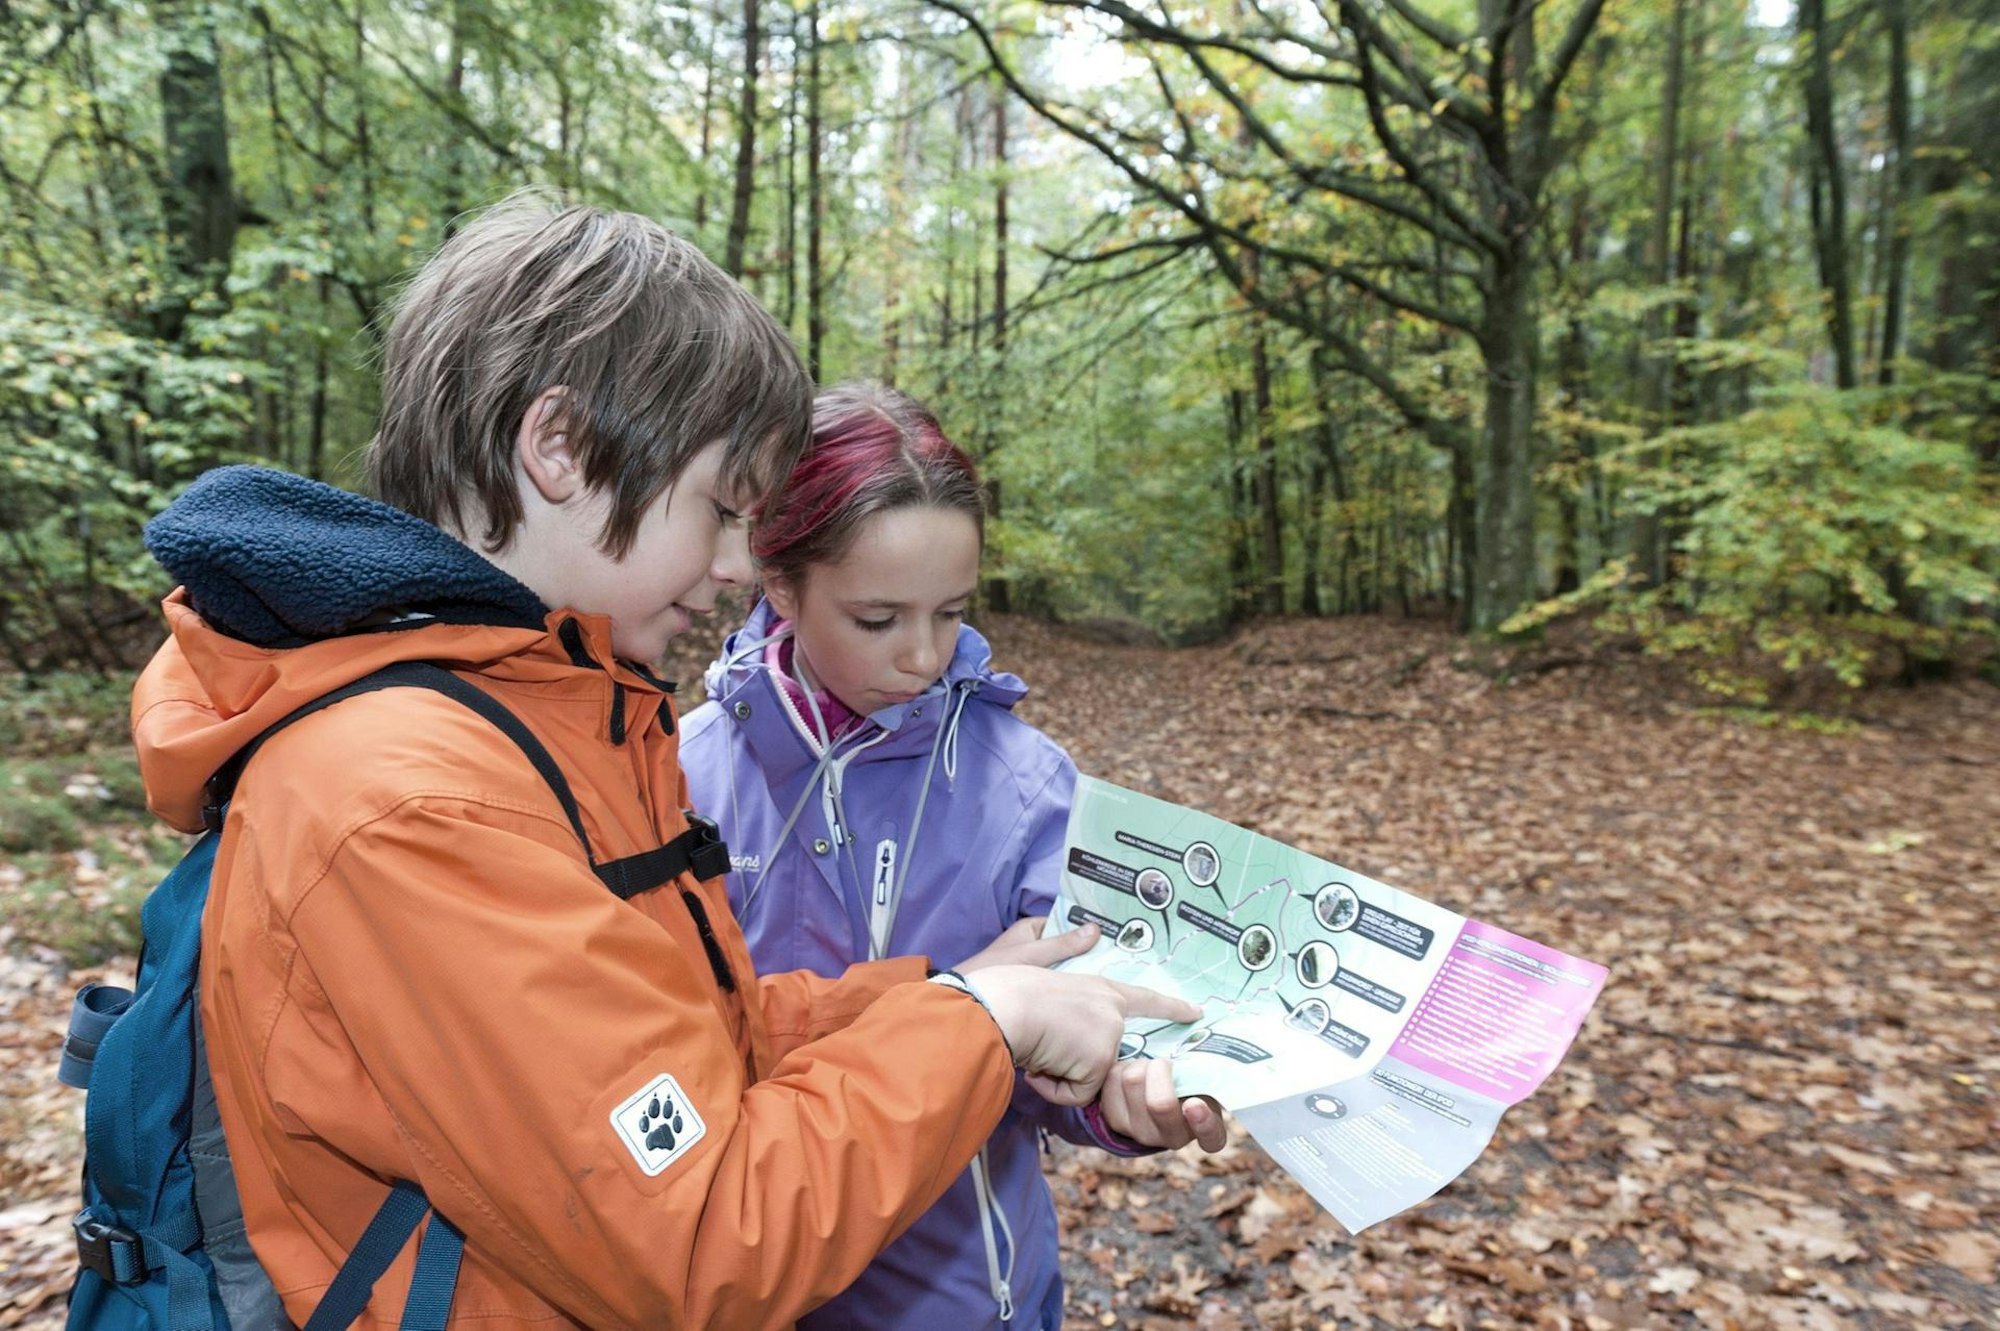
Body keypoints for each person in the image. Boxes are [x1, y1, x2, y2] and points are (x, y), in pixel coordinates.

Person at [130, 198, 1199, 1329]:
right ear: (560, 448)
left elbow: (688, 1043)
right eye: (719, 506)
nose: (743, 564)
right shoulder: (415, 793)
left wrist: (959, 994)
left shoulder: (535, 719)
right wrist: (978, 1019)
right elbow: (699, 1232)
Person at [680, 383, 1226, 1331]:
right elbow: (660, 1059)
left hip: (963, 1292)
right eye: (879, 619)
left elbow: (1081, 1015)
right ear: (780, 584)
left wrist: (1119, 1098)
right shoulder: (681, 778)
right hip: (741, 1288)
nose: (924, 655)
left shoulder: (1021, 785)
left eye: (952, 611)